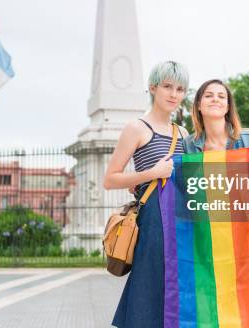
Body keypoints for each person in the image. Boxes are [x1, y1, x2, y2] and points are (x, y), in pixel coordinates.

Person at [106, 61, 189, 328]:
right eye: (167, 86)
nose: (173, 94)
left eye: (179, 89)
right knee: (149, 284)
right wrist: (150, 173)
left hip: (181, 219)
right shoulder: (137, 128)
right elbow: (110, 179)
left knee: (177, 288)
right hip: (153, 220)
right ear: (153, 88)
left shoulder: (183, 133)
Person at [185, 79, 249, 276]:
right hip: (210, 246)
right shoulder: (187, 147)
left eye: (221, 96)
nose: (215, 99)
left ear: (227, 106)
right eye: (208, 95)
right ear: (198, 105)